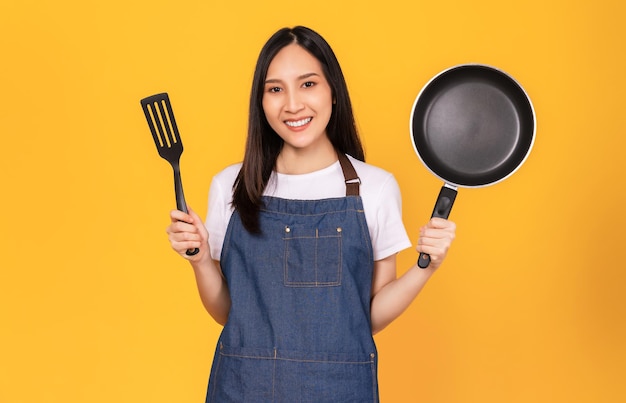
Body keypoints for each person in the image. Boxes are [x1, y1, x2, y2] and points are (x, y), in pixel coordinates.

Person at [166, 26, 456, 402]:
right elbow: (228, 314)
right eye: (275, 89)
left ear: (332, 91)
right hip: (243, 388)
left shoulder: (376, 188)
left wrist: (426, 267)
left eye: (307, 84)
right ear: (261, 101)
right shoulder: (231, 186)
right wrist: (202, 261)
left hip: (339, 390)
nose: (292, 104)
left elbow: (367, 315)